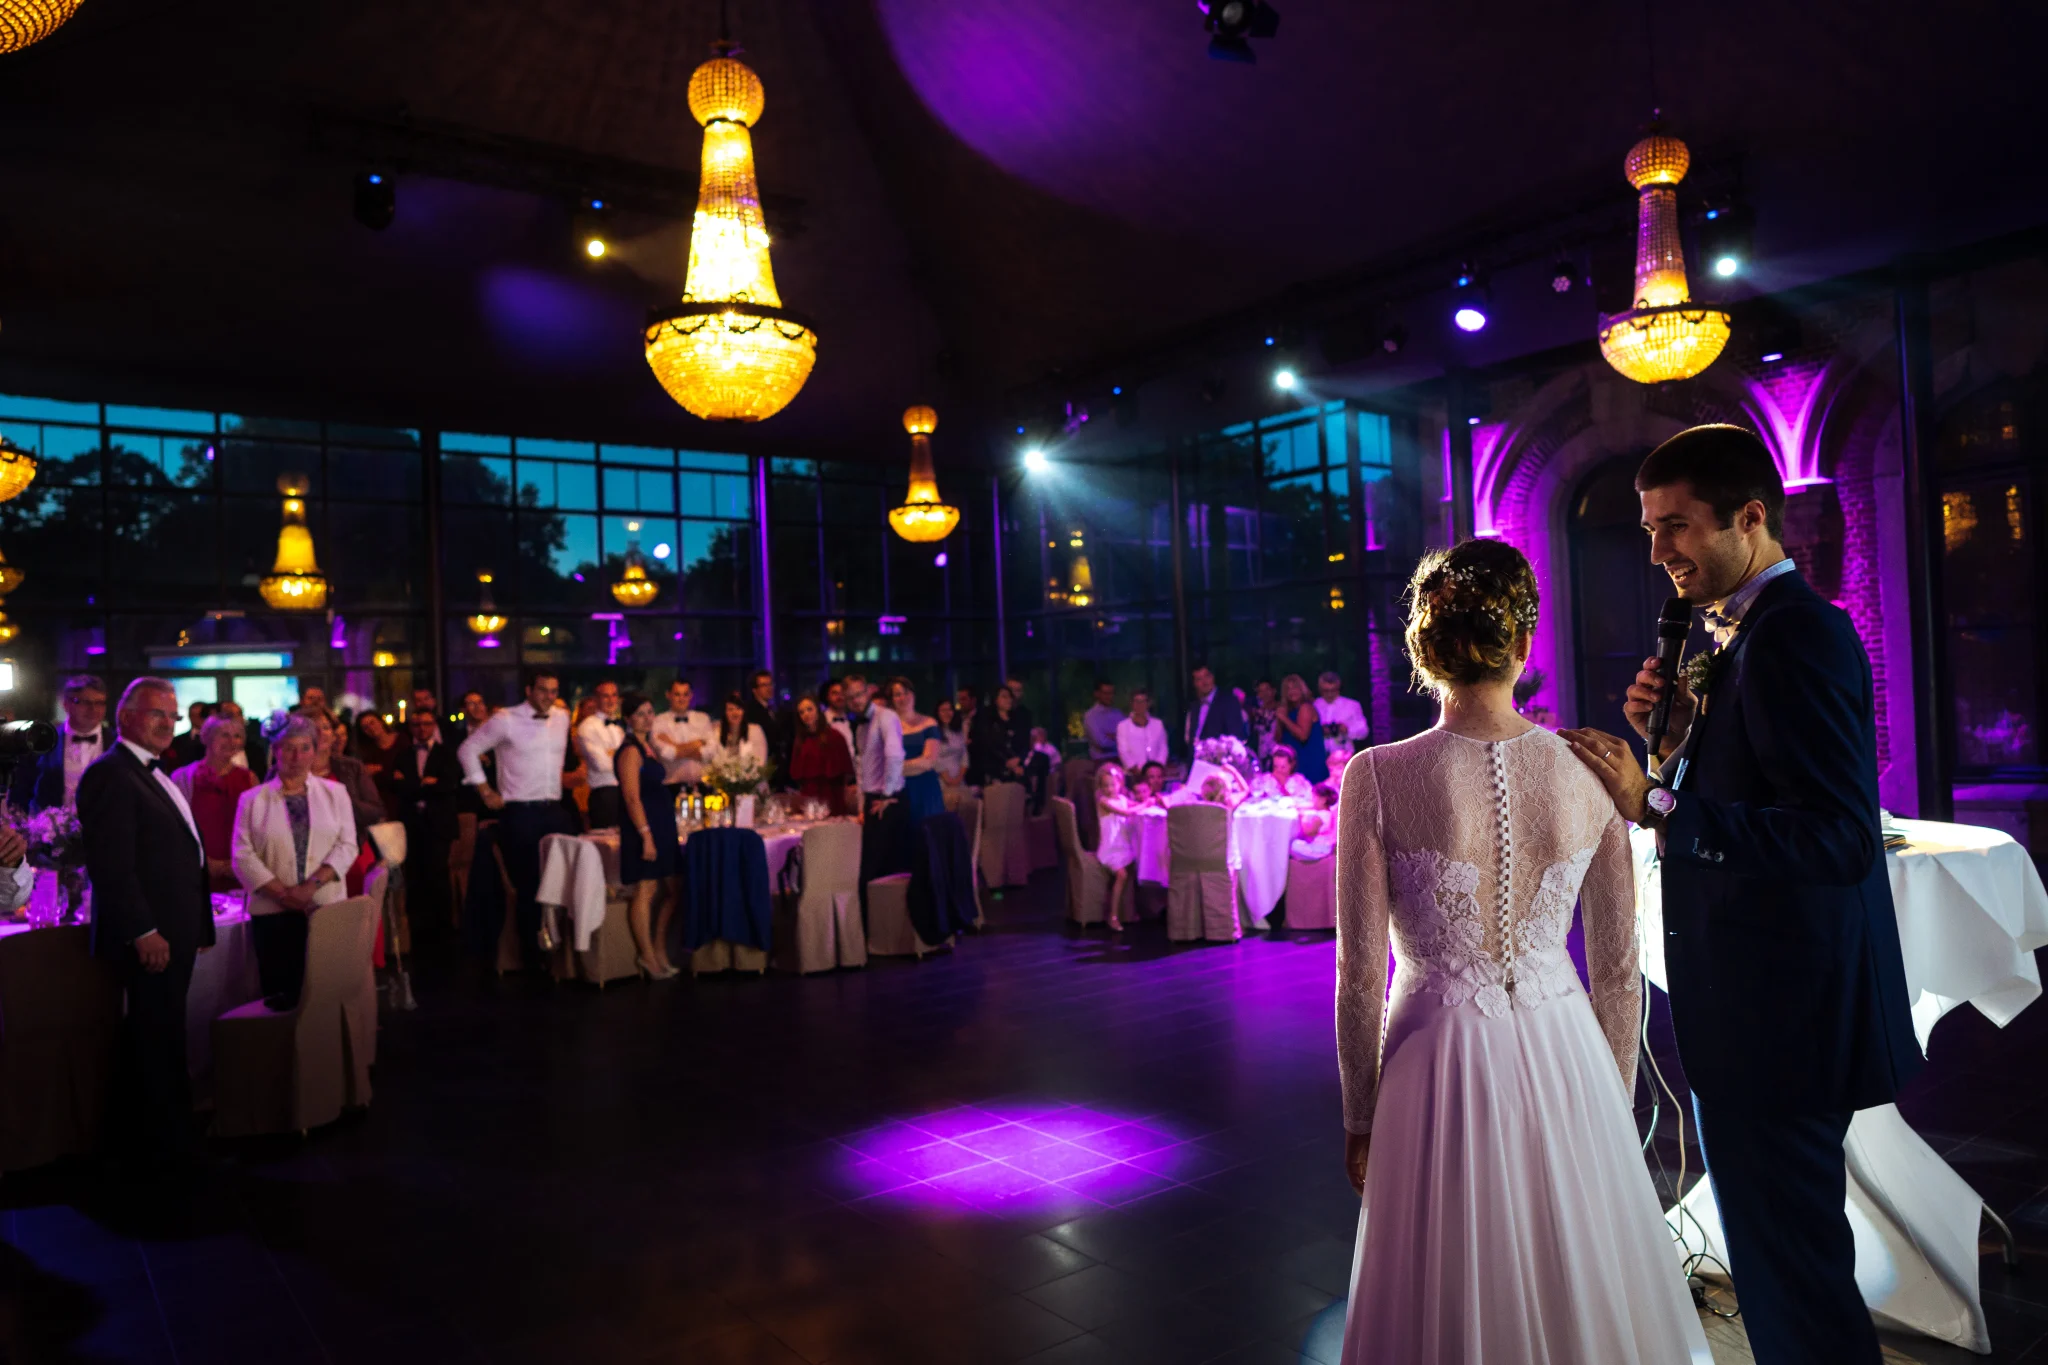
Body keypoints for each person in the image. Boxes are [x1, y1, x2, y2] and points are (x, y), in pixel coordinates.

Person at [1563, 424, 1920, 1365]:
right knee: (1774, 1265)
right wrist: (1669, 741)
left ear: (1750, 517)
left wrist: (1658, 799)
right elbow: (1751, 788)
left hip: (1782, 1023)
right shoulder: (1742, 628)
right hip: (1756, 1014)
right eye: (1648, 529)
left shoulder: (1797, 631)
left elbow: (1839, 836)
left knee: (1793, 1272)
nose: (1657, 552)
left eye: (1676, 526)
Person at [1334, 539, 1709, 1364]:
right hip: (1567, 1048)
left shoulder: (1378, 774)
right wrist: (1612, 1096)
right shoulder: (1593, 768)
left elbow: (1359, 974)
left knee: (1448, 1283)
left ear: (1421, 647)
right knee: (1574, 1271)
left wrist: (1360, 1112)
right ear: (1524, 644)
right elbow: (1616, 965)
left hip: (1434, 1061)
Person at [77, 677, 213, 1171]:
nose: (168, 724)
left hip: (171, 931)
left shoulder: (153, 772)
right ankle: (164, 1151)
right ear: (126, 716)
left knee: (162, 1035)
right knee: (156, 1040)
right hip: (149, 935)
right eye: (157, 713)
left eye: (172, 716)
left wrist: (195, 927)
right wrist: (143, 931)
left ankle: (158, 1143)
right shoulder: (111, 773)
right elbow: (111, 866)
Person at [231, 715, 359, 1010]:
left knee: (326, 996)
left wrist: (309, 888)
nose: (297, 757)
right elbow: (242, 854)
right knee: (280, 997)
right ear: (275, 751)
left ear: (315, 751)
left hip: (324, 906)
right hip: (272, 912)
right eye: (288, 748)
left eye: (305, 748)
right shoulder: (252, 799)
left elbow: (347, 845)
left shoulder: (335, 793)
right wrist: (282, 893)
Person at [458, 670, 575, 963]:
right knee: (531, 886)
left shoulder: (562, 717)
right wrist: (485, 791)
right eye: (543, 690)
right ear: (528, 690)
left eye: (553, 690)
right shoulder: (506, 719)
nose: (549, 696)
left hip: (556, 811)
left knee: (564, 882)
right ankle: (534, 960)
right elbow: (467, 749)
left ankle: (563, 954)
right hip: (521, 812)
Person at [614, 692, 680, 979]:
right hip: (644, 827)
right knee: (646, 889)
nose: (647, 717)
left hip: (663, 825)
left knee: (674, 890)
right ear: (629, 719)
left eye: (650, 712)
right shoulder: (630, 750)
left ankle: (659, 948)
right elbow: (631, 797)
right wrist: (646, 835)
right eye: (640, 713)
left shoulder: (649, 746)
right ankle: (648, 957)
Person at [388, 708, 463, 935]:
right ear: (411, 728)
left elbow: (448, 786)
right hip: (412, 824)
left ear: (434, 726)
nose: (422, 729)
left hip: (439, 824)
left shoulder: (447, 753)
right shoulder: (402, 755)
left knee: (438, 874)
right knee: (414, 875)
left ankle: (443, 927)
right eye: (417, 725)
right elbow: (398, 789)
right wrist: (425, 784)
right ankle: (417, 927)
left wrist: (414, 784)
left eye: (427, 724)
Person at [170, 712, 257, 891]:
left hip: (239, 873)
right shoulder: (182, 778)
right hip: (195, 870)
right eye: (224, 734)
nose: (232, 741)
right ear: (206, 737)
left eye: (237, 736)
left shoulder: (249, 779)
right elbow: (173, 830)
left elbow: (258, 830)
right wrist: (206, 863)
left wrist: (234, 865)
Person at [845, 674, 908, 898]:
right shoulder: (861, 727)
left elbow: (894, 756)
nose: (857, 701)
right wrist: (862, 806)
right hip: (873, 800)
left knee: (884, 870)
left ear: (868, 692)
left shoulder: (886, 717)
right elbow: (862, 769)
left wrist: (886, 795)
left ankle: (883, 926)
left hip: (888, 799)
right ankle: (874, 925)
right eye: (851, 697)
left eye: (859, 694)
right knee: (874, 869)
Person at [10, 673, 111, 812]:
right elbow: (20, 793)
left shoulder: (117, 743)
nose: (93, 709)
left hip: (107, 830)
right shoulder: (41, 742)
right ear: (66, 704)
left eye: (99, 703)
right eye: (85, 702)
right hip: (52, 831)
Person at [309, 708, 386, 832]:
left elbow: (375, 812)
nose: (320, 732)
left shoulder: (352, 767)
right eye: (313, 728)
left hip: (353, 845)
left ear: (334, 735)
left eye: (326, 727)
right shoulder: (290, 770)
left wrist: (342, 803)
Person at [888, 677, 945, 828]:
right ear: (892, 699)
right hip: (898, 791)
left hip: (926, 790)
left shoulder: (929, 723)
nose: (903, 698)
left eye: (906, 693)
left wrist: (896, 768)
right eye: (897, 694)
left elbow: (928, 762)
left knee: (930, 840)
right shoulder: (887, 728)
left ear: (913, 694)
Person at [650, 678, 716, 803]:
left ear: (691, 696)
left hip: (702, 786)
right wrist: (698, 743)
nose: (682, 699)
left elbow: (710, 752)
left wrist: (675, 746)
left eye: (685, 694)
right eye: (677, 694)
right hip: (671, 788)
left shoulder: (703, 719)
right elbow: (667, 754)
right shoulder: (658, 721)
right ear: (668, 695)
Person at [788, 695, 855, 815]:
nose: (806, 714)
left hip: (832, 794)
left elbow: (845, 770)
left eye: (809, 709)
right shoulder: (800, 740)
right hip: (808, 796)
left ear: (818, 710)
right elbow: (797, 773)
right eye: (801, 712)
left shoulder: (835, 737)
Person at [574, 679, 626, 830]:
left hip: (624, 792)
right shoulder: (587, 727)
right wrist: (622, 758)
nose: (611, 700)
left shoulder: (620, 727)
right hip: (604, 795)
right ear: (596, 700)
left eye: (614, 695)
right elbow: (602, 765)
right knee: (605, 845)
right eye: (606, 696)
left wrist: (613, 754)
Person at [1093, 764, 1137, 931]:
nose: (1110, 789)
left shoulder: (1123, 799)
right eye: (1106, 785)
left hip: (1123, 847)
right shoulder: (1103, 802)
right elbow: (1127, 813)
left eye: (1113, 784)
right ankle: (1113, 915)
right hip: (1110, 850)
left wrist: (1149, 800)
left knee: (1137, 865)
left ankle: (1130, 912)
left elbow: (1133, 805)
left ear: (1120, 784)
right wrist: (1145, 804)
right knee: (1122, 874)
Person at [1271, 673, 1329, 785]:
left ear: (1302, 689)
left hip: (1308, 760)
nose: (1292, 691)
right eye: (1288, 689)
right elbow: (1278, 739)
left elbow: (1303, 736)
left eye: (1295, 687)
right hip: (1291, 762)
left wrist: (1284, 718)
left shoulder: (1305, 707)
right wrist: (1280, 719)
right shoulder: (1287, 711)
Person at [969, 685, 1027, 788]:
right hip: (995, 766)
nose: (1008, 700)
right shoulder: (987, 721)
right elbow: (988, 746)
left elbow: (1024, 744)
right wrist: (1007, 763)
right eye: (1004, 697)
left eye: (1010, 697)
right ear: (995, 700)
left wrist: (1018, 759)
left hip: (1017, 764)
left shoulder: (1017, 720)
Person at [1315, 671, 1370, 773]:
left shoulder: (1352, 705)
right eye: (1326, 691)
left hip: (1344, 756)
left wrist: (1347, 729)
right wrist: (1319, 730)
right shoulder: (1314, 705)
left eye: (1333, 690)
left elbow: (1364, 731)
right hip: (1319, 756)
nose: (1330, 694)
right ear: (1320, 690)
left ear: (1339, 688)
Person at [1183, 664, 1247, 751]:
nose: (1204, 682)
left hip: (1219, 762)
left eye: (1207, 676)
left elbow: (1235, 738)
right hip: (1196, 761)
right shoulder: (1194, 706)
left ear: (1213, 677)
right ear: (1194, 684)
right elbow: (1191, 739)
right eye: (1199, 679)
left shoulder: (1228, 702)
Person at [354, 711, 402, 811]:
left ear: (380, 721)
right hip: (384, 801)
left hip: (405, 797)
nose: (371, 728)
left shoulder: (402, 739)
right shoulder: (368, 752)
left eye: (372, 723)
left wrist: (381, 770)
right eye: (365, 727)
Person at [1114, 688, 1169, 774]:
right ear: (1131, 703)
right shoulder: (1123, 726)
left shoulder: (1158, 724)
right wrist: (1137, 771)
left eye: (1143, 701)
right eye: (1137, 701)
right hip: (1132, 774)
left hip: (1156, 775)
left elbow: (1163, 748)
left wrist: (1157, 769)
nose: (1140, 705)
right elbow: (1123, 752)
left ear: (1148, 703)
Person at [710, 692, 770, 770]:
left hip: (751, 779)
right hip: (725, 779)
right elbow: (713, 760)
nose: (735, 713)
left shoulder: (755, 730)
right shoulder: (717, 732)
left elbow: (761, 761)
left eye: (738, 708)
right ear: (725, 713)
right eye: (730, 709)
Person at [216, 700, 267, 778]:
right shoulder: (212, 751)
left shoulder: (255, 750)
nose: (241, 719)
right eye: (230, 715)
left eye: (240, 714)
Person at [1249, 744, 1313, 805]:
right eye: (1275, 767)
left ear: (1292, 765)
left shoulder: (1299, 781)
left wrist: (1283, 787)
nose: (1279, 771)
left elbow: (1306, 802)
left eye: (1283, 767)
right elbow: (1253, 794)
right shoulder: (1266, 779)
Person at [1081, 681, 1123, 762]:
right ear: (1097, 694)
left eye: (1112, 693)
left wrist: (1113, 737)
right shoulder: (1091, 716)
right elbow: (1102, 743)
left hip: (1122, 760)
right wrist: (1120, 739)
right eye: (1106, 693)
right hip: (1101, 762)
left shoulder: (1118, 714)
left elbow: (1128, 738)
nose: (1110, 696)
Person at [166, 700, 212, 770]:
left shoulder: (216, 740)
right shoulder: (176, 741)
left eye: (201, 715)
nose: (197, 718)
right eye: (193, 715)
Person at [934, 698, 969, 788]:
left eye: (949, 710)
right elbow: (935, 759)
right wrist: (948, 779)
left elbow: (964, 757)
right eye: (943, 710)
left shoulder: (958, 731)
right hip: (941, 780)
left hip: (959, 779)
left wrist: (959, 778)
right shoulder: (934, 732)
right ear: (937, 713)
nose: (947, 713)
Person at [1245, 679, 1280, 765]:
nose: (1264, 694)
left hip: (1277, 753)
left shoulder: (1281, 709)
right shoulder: (1255, 712)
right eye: (1261, 691)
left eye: (1267, 690)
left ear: (1274, 691)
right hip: (1260, 755)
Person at [821, 678, 855, 756]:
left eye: (842, 693)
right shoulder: (821, 721)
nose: (839, 697)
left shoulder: (854, 722)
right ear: (827, 696)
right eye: (835, 693)